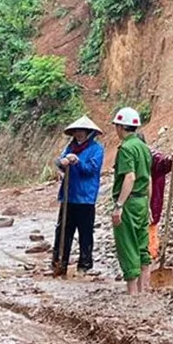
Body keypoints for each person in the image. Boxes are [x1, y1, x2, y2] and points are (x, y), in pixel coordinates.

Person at [108, 107, 153, 294]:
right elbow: (148, 178)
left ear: (120, 127)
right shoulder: (144, 148)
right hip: (142, 202)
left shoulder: (126, 148)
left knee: (128, 245)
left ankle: (132, 294)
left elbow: (130, 177)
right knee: (143, 246)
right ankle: (145, 290)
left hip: (130, 202)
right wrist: (148, 206)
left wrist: (119, 206)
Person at [53, 116, 104, 277]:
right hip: (69, 196)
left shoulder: (97, 149)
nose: (79, 134)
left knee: (85, 231)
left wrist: (77, 162)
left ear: (89, 133)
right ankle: (59, 262)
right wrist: (62, 164)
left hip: (86, 197)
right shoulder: (70, 147)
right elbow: (59, 162)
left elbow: (91, 169)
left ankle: (85, 265)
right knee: (63, 230)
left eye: (82, 131)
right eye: (76, 131)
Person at [147, 147, 173, 262]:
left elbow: (163, 162)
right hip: (139, 204)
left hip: (151, 203)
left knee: (150, 230)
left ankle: (150, 258)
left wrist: (171, 160)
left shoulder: (152, 157)